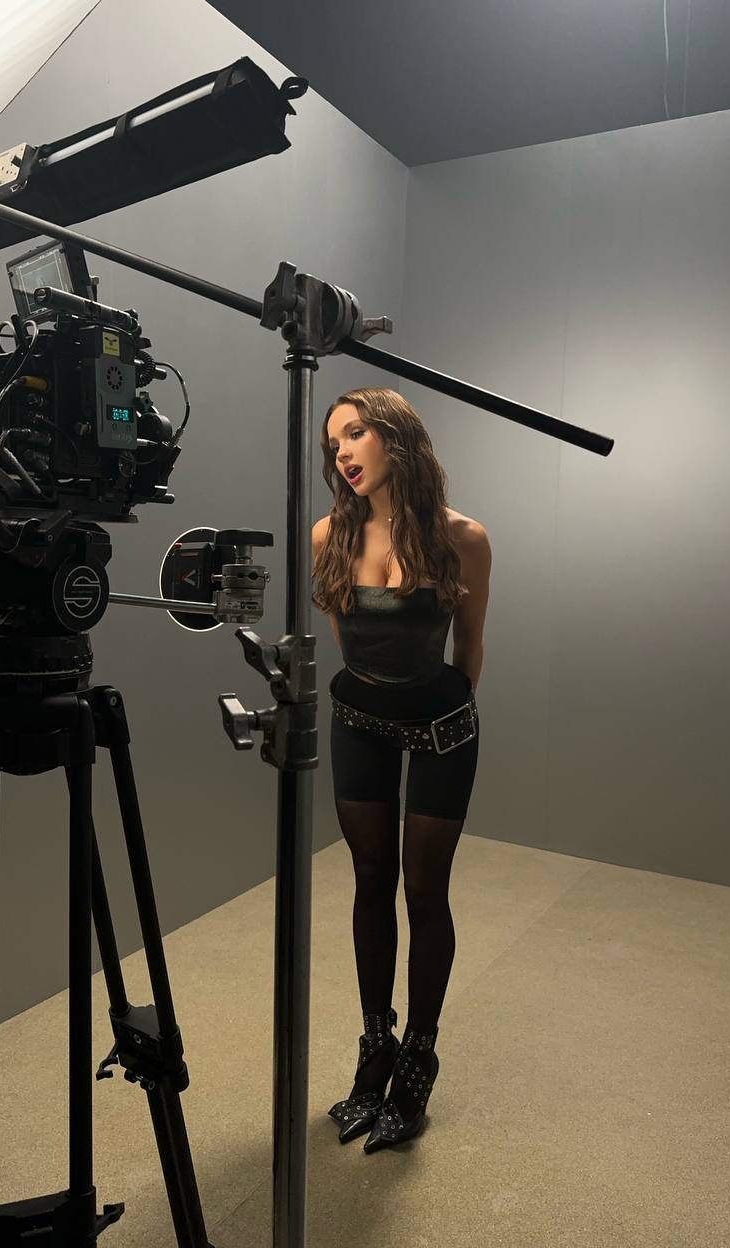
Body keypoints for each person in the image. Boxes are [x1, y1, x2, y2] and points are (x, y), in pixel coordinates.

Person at [312, 387, 492, 1153]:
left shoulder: (463, 538)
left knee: (425, 889)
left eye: (355, 433)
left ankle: (419, 1055)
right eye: (334, 444)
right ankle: (374, 1045)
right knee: (369, 880)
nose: (343, 453)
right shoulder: (329, 533)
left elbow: (470, 648)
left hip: (442, 727)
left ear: (396, 436)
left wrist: (439, 716)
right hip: (358, 720)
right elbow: (349, 641)